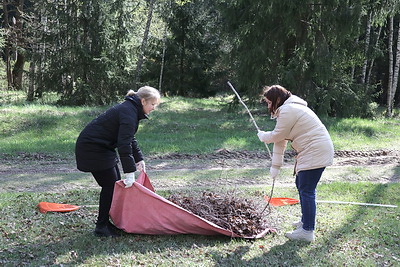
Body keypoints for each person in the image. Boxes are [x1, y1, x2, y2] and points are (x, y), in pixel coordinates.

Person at [75, 86, 161, 237]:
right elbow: (123, 144)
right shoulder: (128, 112)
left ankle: (104, 224)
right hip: (92, 148)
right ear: (143, 101)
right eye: (152, 104)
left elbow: (129, 137)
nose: (154, 108)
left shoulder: (131, 110)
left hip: (101, 148)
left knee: (113, 186)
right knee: (110, 186)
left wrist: (139, 158)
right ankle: (101, 227)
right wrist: (129, 172)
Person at [257, 85, 334, 242]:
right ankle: (305, 221)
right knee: (301, 184)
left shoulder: (288, 110)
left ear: (278, 99)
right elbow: (280, 142)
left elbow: (277, 135)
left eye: (269, 102)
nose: (268, 106)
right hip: (313, 149)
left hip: (315, 150)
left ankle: (307, 231)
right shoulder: (288, 110)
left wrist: (264, 136)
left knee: (307, 189)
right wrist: (275, 167)